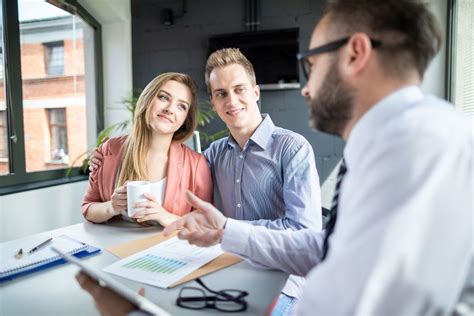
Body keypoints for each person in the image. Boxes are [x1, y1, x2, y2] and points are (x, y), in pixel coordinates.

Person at [79, 0, 472, 314]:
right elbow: (328, 249)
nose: (305, 88)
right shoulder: (389, 140)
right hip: (232, 270)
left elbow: (350, 297)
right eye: (219, 94)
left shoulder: (416, 146)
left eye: (311, 65)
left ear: (356, 53)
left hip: (277, 285)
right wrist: (223, 230)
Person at [88, 49, 322, 313]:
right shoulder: (213, 155)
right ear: (213, 100)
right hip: (224, 268)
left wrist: (227, 230)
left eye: (239, 89)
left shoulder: (292, 148)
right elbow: (174, 166)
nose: (231, 100)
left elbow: (304, 231)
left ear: (256, 92)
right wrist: (104, 156)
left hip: (281, 278)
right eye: (221, 93)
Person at [81, 72, 212, 227]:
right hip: (118, 248)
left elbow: (206, 220)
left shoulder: (196, 164)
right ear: (148, 99)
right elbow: (88, 208)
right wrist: (111, 207)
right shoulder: (109, 150)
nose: (170, 109)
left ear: (185, 120)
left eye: (181, 106)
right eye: (164, 97)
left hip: (169, 248)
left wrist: (166, 217)